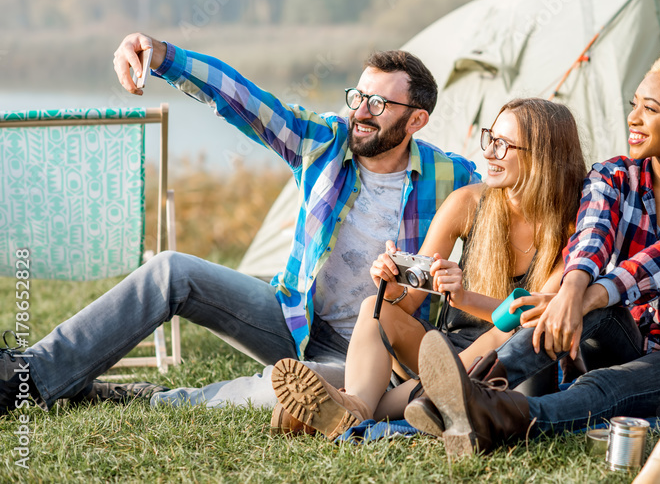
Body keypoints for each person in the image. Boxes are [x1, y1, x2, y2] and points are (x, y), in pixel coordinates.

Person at [0, 33, 479, 417]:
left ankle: (144, 399)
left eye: (378, 104)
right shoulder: (324, 142)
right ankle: (29, 375)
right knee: (171, 270)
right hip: (290, 317)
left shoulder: (453, 177)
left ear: (416, 120)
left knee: (291, 392)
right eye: (358, 96)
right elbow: (248, 102)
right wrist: (164, 56)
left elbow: (523, 203)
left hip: (366, 356)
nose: (359, 112)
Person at [412, 24, 660, 456]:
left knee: (604, 377)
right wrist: (572, 291)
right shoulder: (612, 174)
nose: (632, 118)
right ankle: (470, 391)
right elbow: (592, 235)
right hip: (622, 333)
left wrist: (585, 297)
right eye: (633, 105)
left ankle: (500, 415)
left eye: (649, 109)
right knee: (582, 298)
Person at [267, 98, 587, 440]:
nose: (490, 153)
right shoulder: (468, 202)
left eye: (503, 145)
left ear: (542, 155)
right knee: (374, 311)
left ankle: (346, 410)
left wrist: (463, 297)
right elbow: (406, 303)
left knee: (498, 342)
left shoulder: (573, 227)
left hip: (513, 357)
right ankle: (357, 407)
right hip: (445, 349)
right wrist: (391, 287)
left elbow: (531, 313)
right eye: (490, 139)